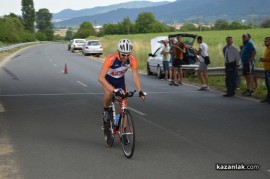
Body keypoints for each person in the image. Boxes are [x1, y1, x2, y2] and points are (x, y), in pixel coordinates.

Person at [98, 38, 146, 144]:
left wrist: (140, 91)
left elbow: (135, 76)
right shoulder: (111, 59)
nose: (125, 57)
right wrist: (114, 90)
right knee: (109, 94)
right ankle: (106, 112)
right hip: (107, 80)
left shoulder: (132, 59)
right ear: (118, 51)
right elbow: (100, 78)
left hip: (120, 81)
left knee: (124, 102)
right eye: (123, 54)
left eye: (128, 54)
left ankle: (123, 133)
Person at [259, 37, 270, 103]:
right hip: (266, 69)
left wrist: (264, 60)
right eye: (265, 41)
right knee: (267, 85)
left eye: (267, 41)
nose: (265, 42)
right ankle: (268, 98)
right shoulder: (267, 48)